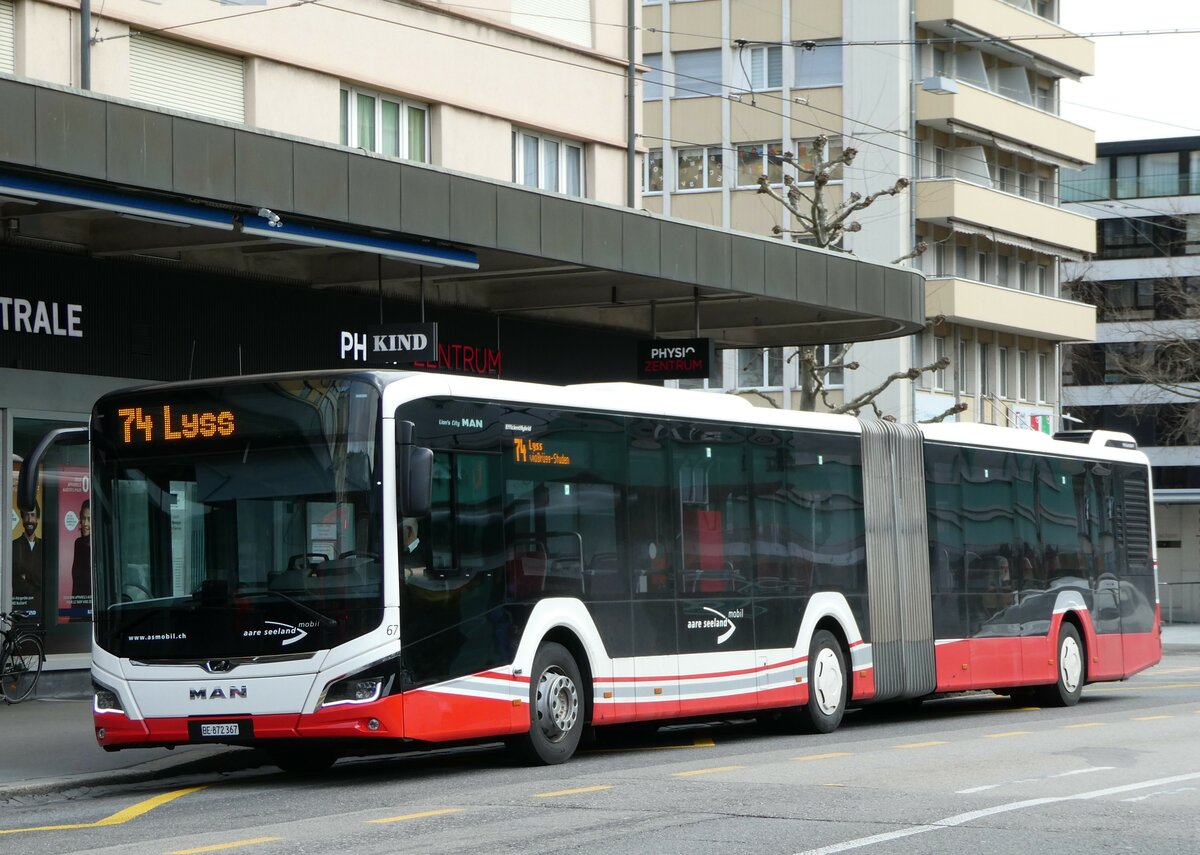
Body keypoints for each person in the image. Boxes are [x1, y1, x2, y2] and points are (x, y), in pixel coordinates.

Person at [11, 502, 43, 611]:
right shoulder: (14, 545)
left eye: (33, 515)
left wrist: (25, 575)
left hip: (40, 608)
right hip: (19, 608)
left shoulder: (45, 547)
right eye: (27, 515)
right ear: (22, 518)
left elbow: (46, 579)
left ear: (37, 519)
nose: (29, 519)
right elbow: (15, 581)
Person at [72, 499, 92, 607]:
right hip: (79, 605)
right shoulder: (78, 544)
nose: (85, 523)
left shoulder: (100, 545)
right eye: (83, 518)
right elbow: (76, 582)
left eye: (89, 519)